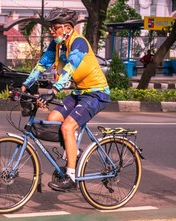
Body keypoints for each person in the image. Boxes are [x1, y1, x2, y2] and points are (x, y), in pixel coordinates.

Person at [21, 8, 110, 192]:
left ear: (67, 28)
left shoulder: (79, 43)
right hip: (79, 93)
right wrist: (23, 87)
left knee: (68, 127)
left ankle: (71, 176)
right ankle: (74, 153)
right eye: (51, 28)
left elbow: (69, 68)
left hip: (96, 93)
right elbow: (41, 65)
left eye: (55, 28)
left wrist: (53, 90)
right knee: (53, 119)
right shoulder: (57, 45)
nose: (52, 32)